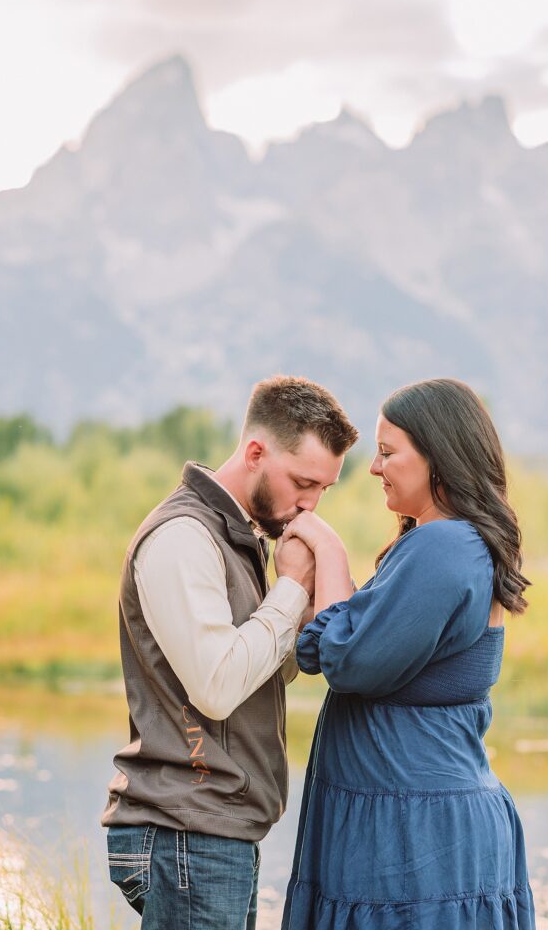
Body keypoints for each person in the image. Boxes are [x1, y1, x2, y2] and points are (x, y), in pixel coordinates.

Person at [277, 378, 536, 930]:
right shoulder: (442, 544)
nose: (374, 467)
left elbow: (347, 658)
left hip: (416, 841)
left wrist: (328, 549)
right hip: (409, 823)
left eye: (389, 452)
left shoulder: (444, 546)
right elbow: (348, 641)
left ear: (439, 458)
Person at [101, 375, 358, 929]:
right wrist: (289, 591)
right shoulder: (183, 536)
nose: (310, 505)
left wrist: (306, 611)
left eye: (324, 490)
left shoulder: (241, 537)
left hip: (212, 829)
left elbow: (254, 675)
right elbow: (217, 687)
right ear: (256, 452)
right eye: (302, 482)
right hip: (186, 832)